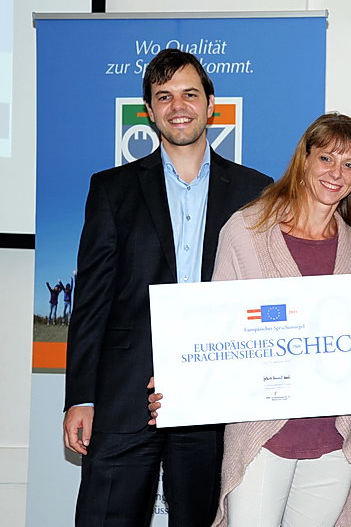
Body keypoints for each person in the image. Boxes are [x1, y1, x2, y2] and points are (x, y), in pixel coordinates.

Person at [148, 112, 351, 527]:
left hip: (334, 443)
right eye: (326, 159)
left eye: (349, 165)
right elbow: (216, 330)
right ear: (304, 161)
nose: (336, 173)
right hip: (261, 439)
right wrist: (180, 383)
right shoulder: (246, 231)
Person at [63, 49, 273, 526]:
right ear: (149, 111)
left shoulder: (255, 193)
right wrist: (82, 397)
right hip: (123, 395)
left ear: (211, 105)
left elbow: (261, 299)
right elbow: (90, 302)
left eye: (189, 94)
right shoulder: (111, 189)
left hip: (212, 398)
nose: (178, 106)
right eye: (164, 96)